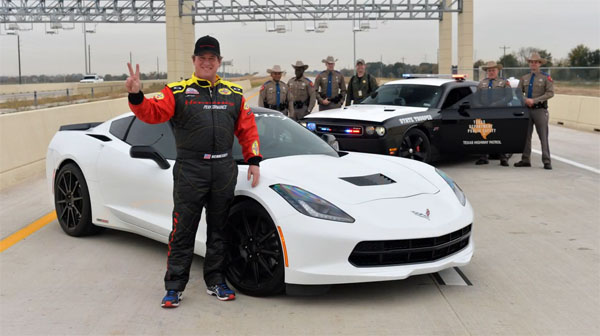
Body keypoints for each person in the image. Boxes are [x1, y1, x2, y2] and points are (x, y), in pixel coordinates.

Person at [125, 35, 262, 307]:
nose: (207, 63)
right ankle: (174, 287)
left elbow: (247, 129)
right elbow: (152, 113)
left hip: (224, 169)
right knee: (183, 231)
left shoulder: (234, 94)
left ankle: (216, 281)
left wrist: (254, 159)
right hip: (191, 169)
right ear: (194, 61)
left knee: (219, 230)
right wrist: (136, 94)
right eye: (202, 58)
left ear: (219, 62)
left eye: (212, 59)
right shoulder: (176, 91)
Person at [514, 52, 554, 170]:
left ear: (540, 64)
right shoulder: (524, 78)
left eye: (536, 62)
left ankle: (546, 161)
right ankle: (526, 159)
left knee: (543, 136)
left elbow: (550, 93)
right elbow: (517, 92)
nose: (533, 64)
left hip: (540, 110)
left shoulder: (546, 78)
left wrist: (535, 100)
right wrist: (525, 99)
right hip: (527, 110)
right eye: (531, 62)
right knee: (526, 136)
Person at [475, 61, 511, 166]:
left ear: (497, 71)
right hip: (485, 112)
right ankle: (483, 157)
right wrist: (479, 106)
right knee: (484, 134)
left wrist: (497, 104)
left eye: (493, 70)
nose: (491, 72)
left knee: (500, 134)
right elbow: (476, 98)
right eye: (489, 70)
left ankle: (503, 158)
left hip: (499, 112)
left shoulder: (504, 82)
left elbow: (508, 97)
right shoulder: (482, 83)